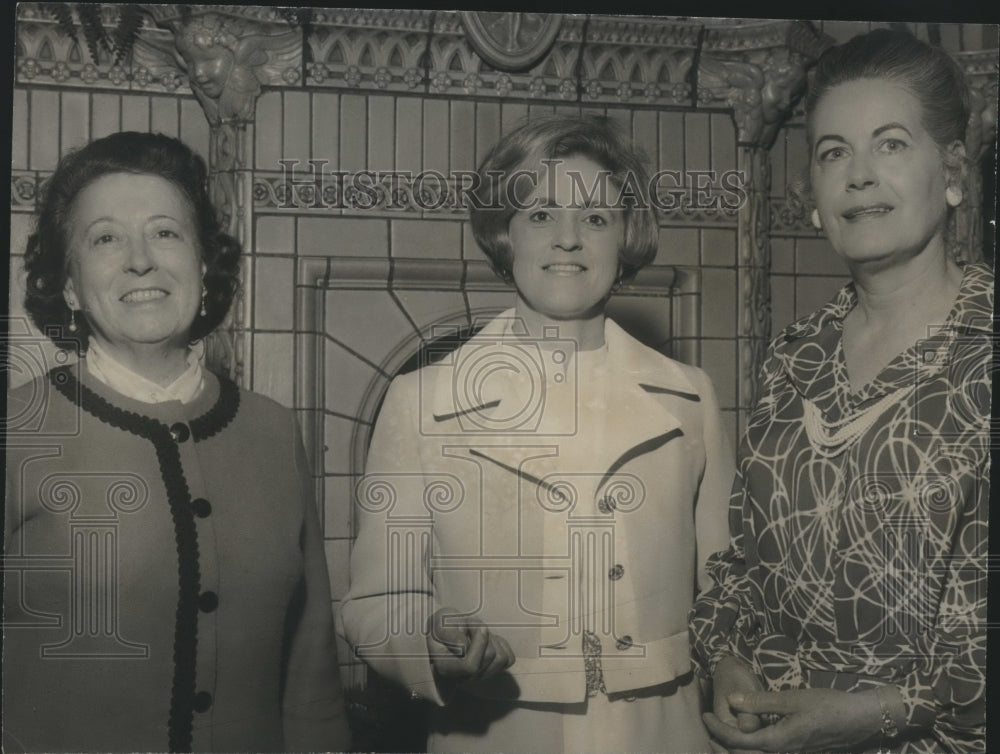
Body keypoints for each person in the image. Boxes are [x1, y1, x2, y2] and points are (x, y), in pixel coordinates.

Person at [339, 115, 734, 752]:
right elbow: (378, 599)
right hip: (498, 732)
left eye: (597, 219)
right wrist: (429, 641)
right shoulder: (420, 401)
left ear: (625, 237)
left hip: (664, 732)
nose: (569, 239)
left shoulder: (690, 396)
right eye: (542, 214)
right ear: (506, 233)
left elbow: (728, 583)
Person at [690, 29, 991, 754]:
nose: (858, 175)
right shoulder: (793, 361)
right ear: (816, 200)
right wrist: (727, 656)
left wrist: (876, 713)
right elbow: (743, 562)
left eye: (890, 145)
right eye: (834, 153)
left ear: (951, 173)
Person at [3, 131, 350, 753]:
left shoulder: (272, 430)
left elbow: (311, 676)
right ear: (71, 285)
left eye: (166, 232)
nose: (142, 260)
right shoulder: (15, 430)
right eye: (105, 238)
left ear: (202, 264)